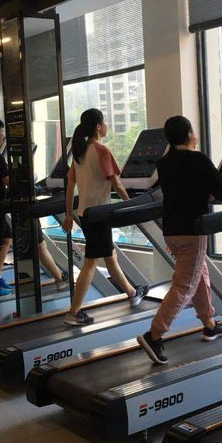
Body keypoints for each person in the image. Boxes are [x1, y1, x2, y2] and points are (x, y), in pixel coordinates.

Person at [136, 116, 222, 364]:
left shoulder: (163, 163)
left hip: (171, 231)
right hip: (191, 231)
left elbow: (184, 188)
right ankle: (154, 335)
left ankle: (209, 323)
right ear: (188, 134)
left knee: (199, 272)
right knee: (185, 286)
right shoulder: (198, 159)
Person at [61, 108, 147, 326]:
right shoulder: (101, 150)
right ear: (98, 127)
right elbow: (117, 184)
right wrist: (131, 206)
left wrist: (69, 214)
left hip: (86, 214)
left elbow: (70, 186)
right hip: (99, 215)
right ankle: (73, 312)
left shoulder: (80, 152)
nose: (107, 125)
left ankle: (132, 293)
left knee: (110, 256)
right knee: (90, 263)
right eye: (105, 122)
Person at [0, 117, 66, 298]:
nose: (3, 135)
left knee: (7, 237)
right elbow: (10, 183)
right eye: (2, 132)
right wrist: (29, 188)